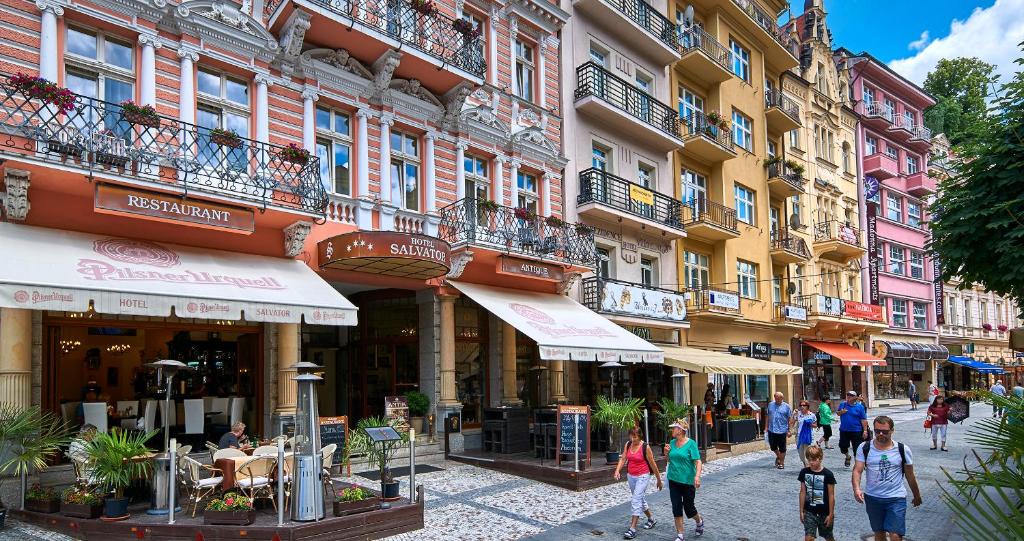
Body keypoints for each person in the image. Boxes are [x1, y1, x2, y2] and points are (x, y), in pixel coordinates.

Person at [852, 416, 923, 541]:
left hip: (896, 498)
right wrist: (857, 489)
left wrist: (916, 495)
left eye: (885, 432)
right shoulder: (864, 447)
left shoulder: (903, 449)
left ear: (892, 431)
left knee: (895, 536)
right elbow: (857, 470)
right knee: (879, 534)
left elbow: (910, 475)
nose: (880, 434)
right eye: (877, 431)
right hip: (873, 497)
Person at [613, 427, 664, 539]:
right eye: (631, 436)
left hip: (643, 476)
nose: (632, 438)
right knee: (640, 499)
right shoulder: (628, 444)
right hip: (631, 476)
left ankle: (632, 529)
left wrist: (659, 480)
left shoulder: (645, 447)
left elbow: (653, 465)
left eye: (635, 436)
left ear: (640, 436)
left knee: (636, 499)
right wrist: (617, 470)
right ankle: (651, 519)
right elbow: (623, 459)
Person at [663, 419, 704, 539]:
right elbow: (670, 460)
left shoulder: (691, 444)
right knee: (676, 507)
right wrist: (666, 453)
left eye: (674, 428)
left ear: (680, 430)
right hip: (673, 480)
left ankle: (699, 521)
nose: (672, 430)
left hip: (687, 481)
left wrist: (697, 476)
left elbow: (698, 461)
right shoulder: (672, 442)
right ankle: (680, 535)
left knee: (689, 509)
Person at [798, 445, 836, 541]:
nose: (811, 462)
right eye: (809, 460)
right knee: (809, 538)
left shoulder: (828, 474)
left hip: (824, 512)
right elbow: (802, 492)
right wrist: (801, 511)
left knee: (828, 537)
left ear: (820, 458)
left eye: (814, 460)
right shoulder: (804, 472)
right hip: (809, 511)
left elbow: (831, 495)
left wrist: (830, 514)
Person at [837, 390, 869, 468]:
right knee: (842, 446)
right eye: (847, 395)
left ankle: (858, 464)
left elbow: (863, 420)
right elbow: (838, 413)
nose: (848, 397)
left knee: (857, 448)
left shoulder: (860, 407)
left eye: (850, 395)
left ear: (855, 397)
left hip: (856, 430)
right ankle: (848, 456)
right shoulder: (843, 404)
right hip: (844, 430)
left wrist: (865, 430)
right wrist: (842, 412)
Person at [766, 392, 794, 469]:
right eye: (775, 398)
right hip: (771, 429)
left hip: (782, 430)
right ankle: (779, 456)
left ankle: (781, 463)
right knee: (772, 446)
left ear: (782, 398)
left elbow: (790, 419)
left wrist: (789, 430)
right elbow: (768, 416)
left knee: (782, 448)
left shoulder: (787, 407)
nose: (777, 400)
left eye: (778, 398)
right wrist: (766, 427)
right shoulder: (770, 405)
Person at [795, 401, 818, 467]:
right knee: (801, 453)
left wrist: (810, 424)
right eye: (801, 405)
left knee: (807, 452)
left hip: (808, 436)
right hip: (799, 436)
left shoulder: (812, 415)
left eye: (804, 405)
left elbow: (815, 425)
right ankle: (805, 464)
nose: (802, 407)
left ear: (807, 406)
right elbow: (792, 422)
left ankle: (808, 467)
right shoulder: (798, 414)